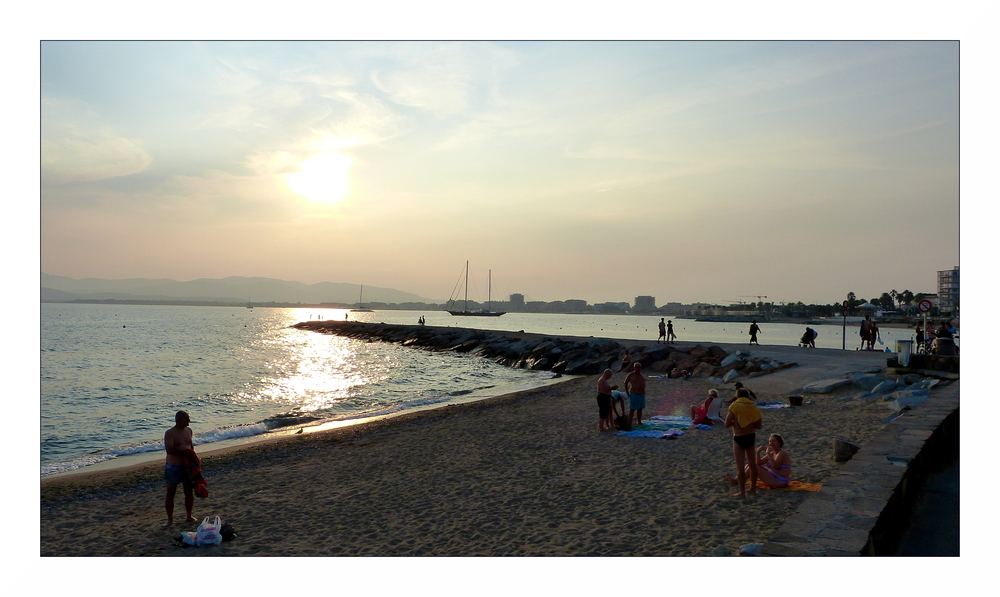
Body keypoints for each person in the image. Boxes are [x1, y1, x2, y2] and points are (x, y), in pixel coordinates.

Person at [724, 388, 762, 498]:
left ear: (737, 396)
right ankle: (753, 489)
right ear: (748, 396)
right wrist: (749, 424)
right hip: (750, 436)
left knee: (740, 467)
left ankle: (742, 492)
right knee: (752, 465)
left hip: (739, 436)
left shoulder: (734, 406)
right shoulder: (753, 406)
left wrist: (735, 422)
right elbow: (759, 426)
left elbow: (726, 424)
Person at [163, 410, 197, 527]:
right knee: (171, 492)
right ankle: (170, 519)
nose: (189, 421)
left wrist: (193, 459)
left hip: (187, 465)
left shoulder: (188, 431)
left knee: (188, 490)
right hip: (173, 465)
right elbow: (170, 449)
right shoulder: (170, 433)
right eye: (186, 419)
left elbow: (191, 446)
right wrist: (185, 452)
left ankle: (188, 515)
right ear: (179, 420)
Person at [624, 362, 647, 427]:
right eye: (636, 367)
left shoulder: (641, 375)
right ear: (634, 368)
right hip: (634, 393)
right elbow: (625, 383)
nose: (638, 368)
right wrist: (627, 392)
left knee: (640, 409)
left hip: (642, 394)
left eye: (639, 367)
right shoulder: (631, 374)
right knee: (632, 409)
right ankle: (629, 423)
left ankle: (639, 421)